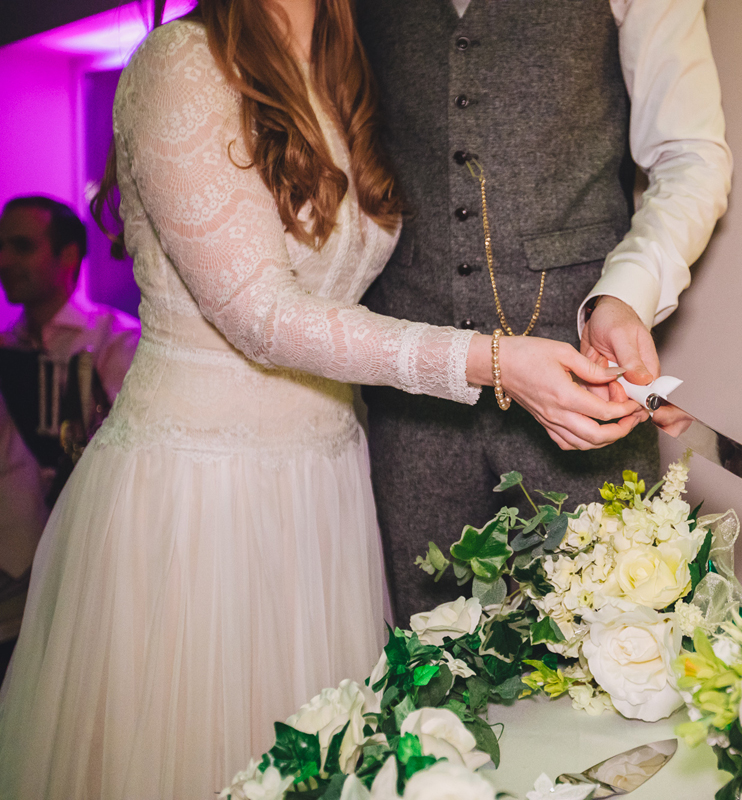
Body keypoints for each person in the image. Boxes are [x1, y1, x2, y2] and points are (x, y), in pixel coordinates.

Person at [0, 0, 643, 796]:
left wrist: (604, 379)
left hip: (328, 488)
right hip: (202, 497)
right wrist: (495, 363)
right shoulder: (181, 62)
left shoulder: (347, 70)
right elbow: (263, 317)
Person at [356, 0, 733, 622]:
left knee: (614, 653)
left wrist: (624, 296)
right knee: (431, 679)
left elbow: (690, 156)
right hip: (410, 403)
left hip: (588, 388)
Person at [0, 196, 140, 654]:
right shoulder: (4, 347)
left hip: (80, 574)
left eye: (21, 246)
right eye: (1, 246)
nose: (4, 260)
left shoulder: (115, 339)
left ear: (67, 257)